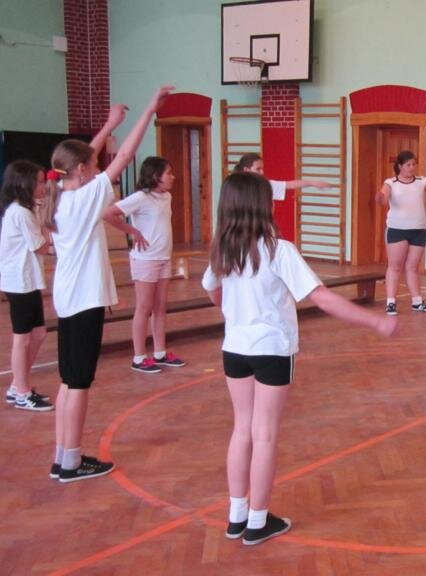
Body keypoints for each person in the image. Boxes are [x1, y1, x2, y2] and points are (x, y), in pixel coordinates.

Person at [202, 172, 397, 546]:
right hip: (271, 351)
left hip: (235, 350)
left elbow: (213, 290)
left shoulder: (222, 250)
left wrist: (233, 312)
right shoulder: (279, 250)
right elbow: (322, 298)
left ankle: (236, 515)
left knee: (242, 428)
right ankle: (257, 520)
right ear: (261, 205)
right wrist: (374, 320)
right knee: (264, 433)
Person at [39, 86, 175, 482]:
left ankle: (62, 456)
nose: (99, 166)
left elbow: (80, 159)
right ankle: (71, 462)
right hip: (84, 301)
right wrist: (148, 110)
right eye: (93, 164)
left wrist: (108, 125)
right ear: (83, 172)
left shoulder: (61, 195)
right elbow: (126, 156)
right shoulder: (84, 200)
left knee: (69, 382)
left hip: (68, 299)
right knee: (79, 383)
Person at [102, 156, 185, 374]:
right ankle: (139, 357)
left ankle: (160, 352)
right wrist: (132, 231)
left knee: (160, 307)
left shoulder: (166, 196)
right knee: (144, 307)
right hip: (146, 259)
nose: (172, 177)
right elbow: (109, 214)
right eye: (168, 173)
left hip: (164, 257)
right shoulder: (140, 197)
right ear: (156, 176)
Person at [1, 160, 53, 411]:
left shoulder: (28, 209)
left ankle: (17, 385)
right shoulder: (20, 212)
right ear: (24, 184)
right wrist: (48, 233)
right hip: (19, 281)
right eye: (39, 182)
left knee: (39, 333)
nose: (43, 186)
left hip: (28, 280)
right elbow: (40, 246)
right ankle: (22, 392)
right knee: (22, 338)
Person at [377, 150, 426, 315]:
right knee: (395, 266)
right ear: (400, 166)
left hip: (418, 230)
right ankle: (391, 302)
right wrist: (380, 198)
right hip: (397, 230)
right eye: (408, 165)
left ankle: (417, 302)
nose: (412, 167)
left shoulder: (421, 181)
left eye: (413, 164)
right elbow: (383, 197)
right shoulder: (391, 183)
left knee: (412, 267)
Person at [233, 152, 331, 201]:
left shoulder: (264, 186)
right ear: (246, 169)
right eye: (258, 169)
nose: (262, 172)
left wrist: (312, 182)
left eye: (262, 168)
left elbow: (289, 185)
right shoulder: (233, 187)